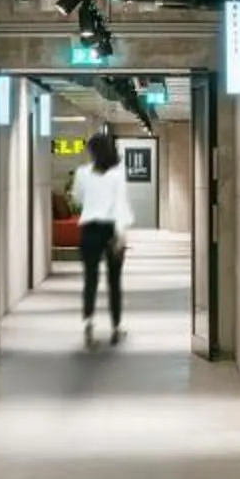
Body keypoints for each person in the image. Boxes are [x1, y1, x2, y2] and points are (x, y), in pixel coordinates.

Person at [74, 128, 135, 346]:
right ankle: (116, 327)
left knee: (90, 279)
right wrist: (120, 235)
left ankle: (88, 324)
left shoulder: (82, 173)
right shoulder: (117, 175)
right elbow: (120, 205)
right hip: (111, 230)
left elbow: (78, 198)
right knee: (114, 281)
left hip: (89, 229)